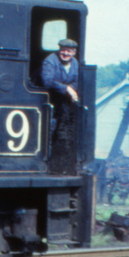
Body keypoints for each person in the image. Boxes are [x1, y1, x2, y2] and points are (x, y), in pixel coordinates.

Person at [41, 38, 80, 174]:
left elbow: (76, 81)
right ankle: (45, 164)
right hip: (48, 101)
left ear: (74, 52)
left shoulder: (75, 63)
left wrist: (71, 89)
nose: (65, 53)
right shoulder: (50, 61)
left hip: (64, 103)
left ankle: (59, 166)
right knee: (48, 131)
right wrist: (67, 89)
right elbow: (47, 81)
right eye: (63, 50)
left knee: (63, 132)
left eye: (68, 51)